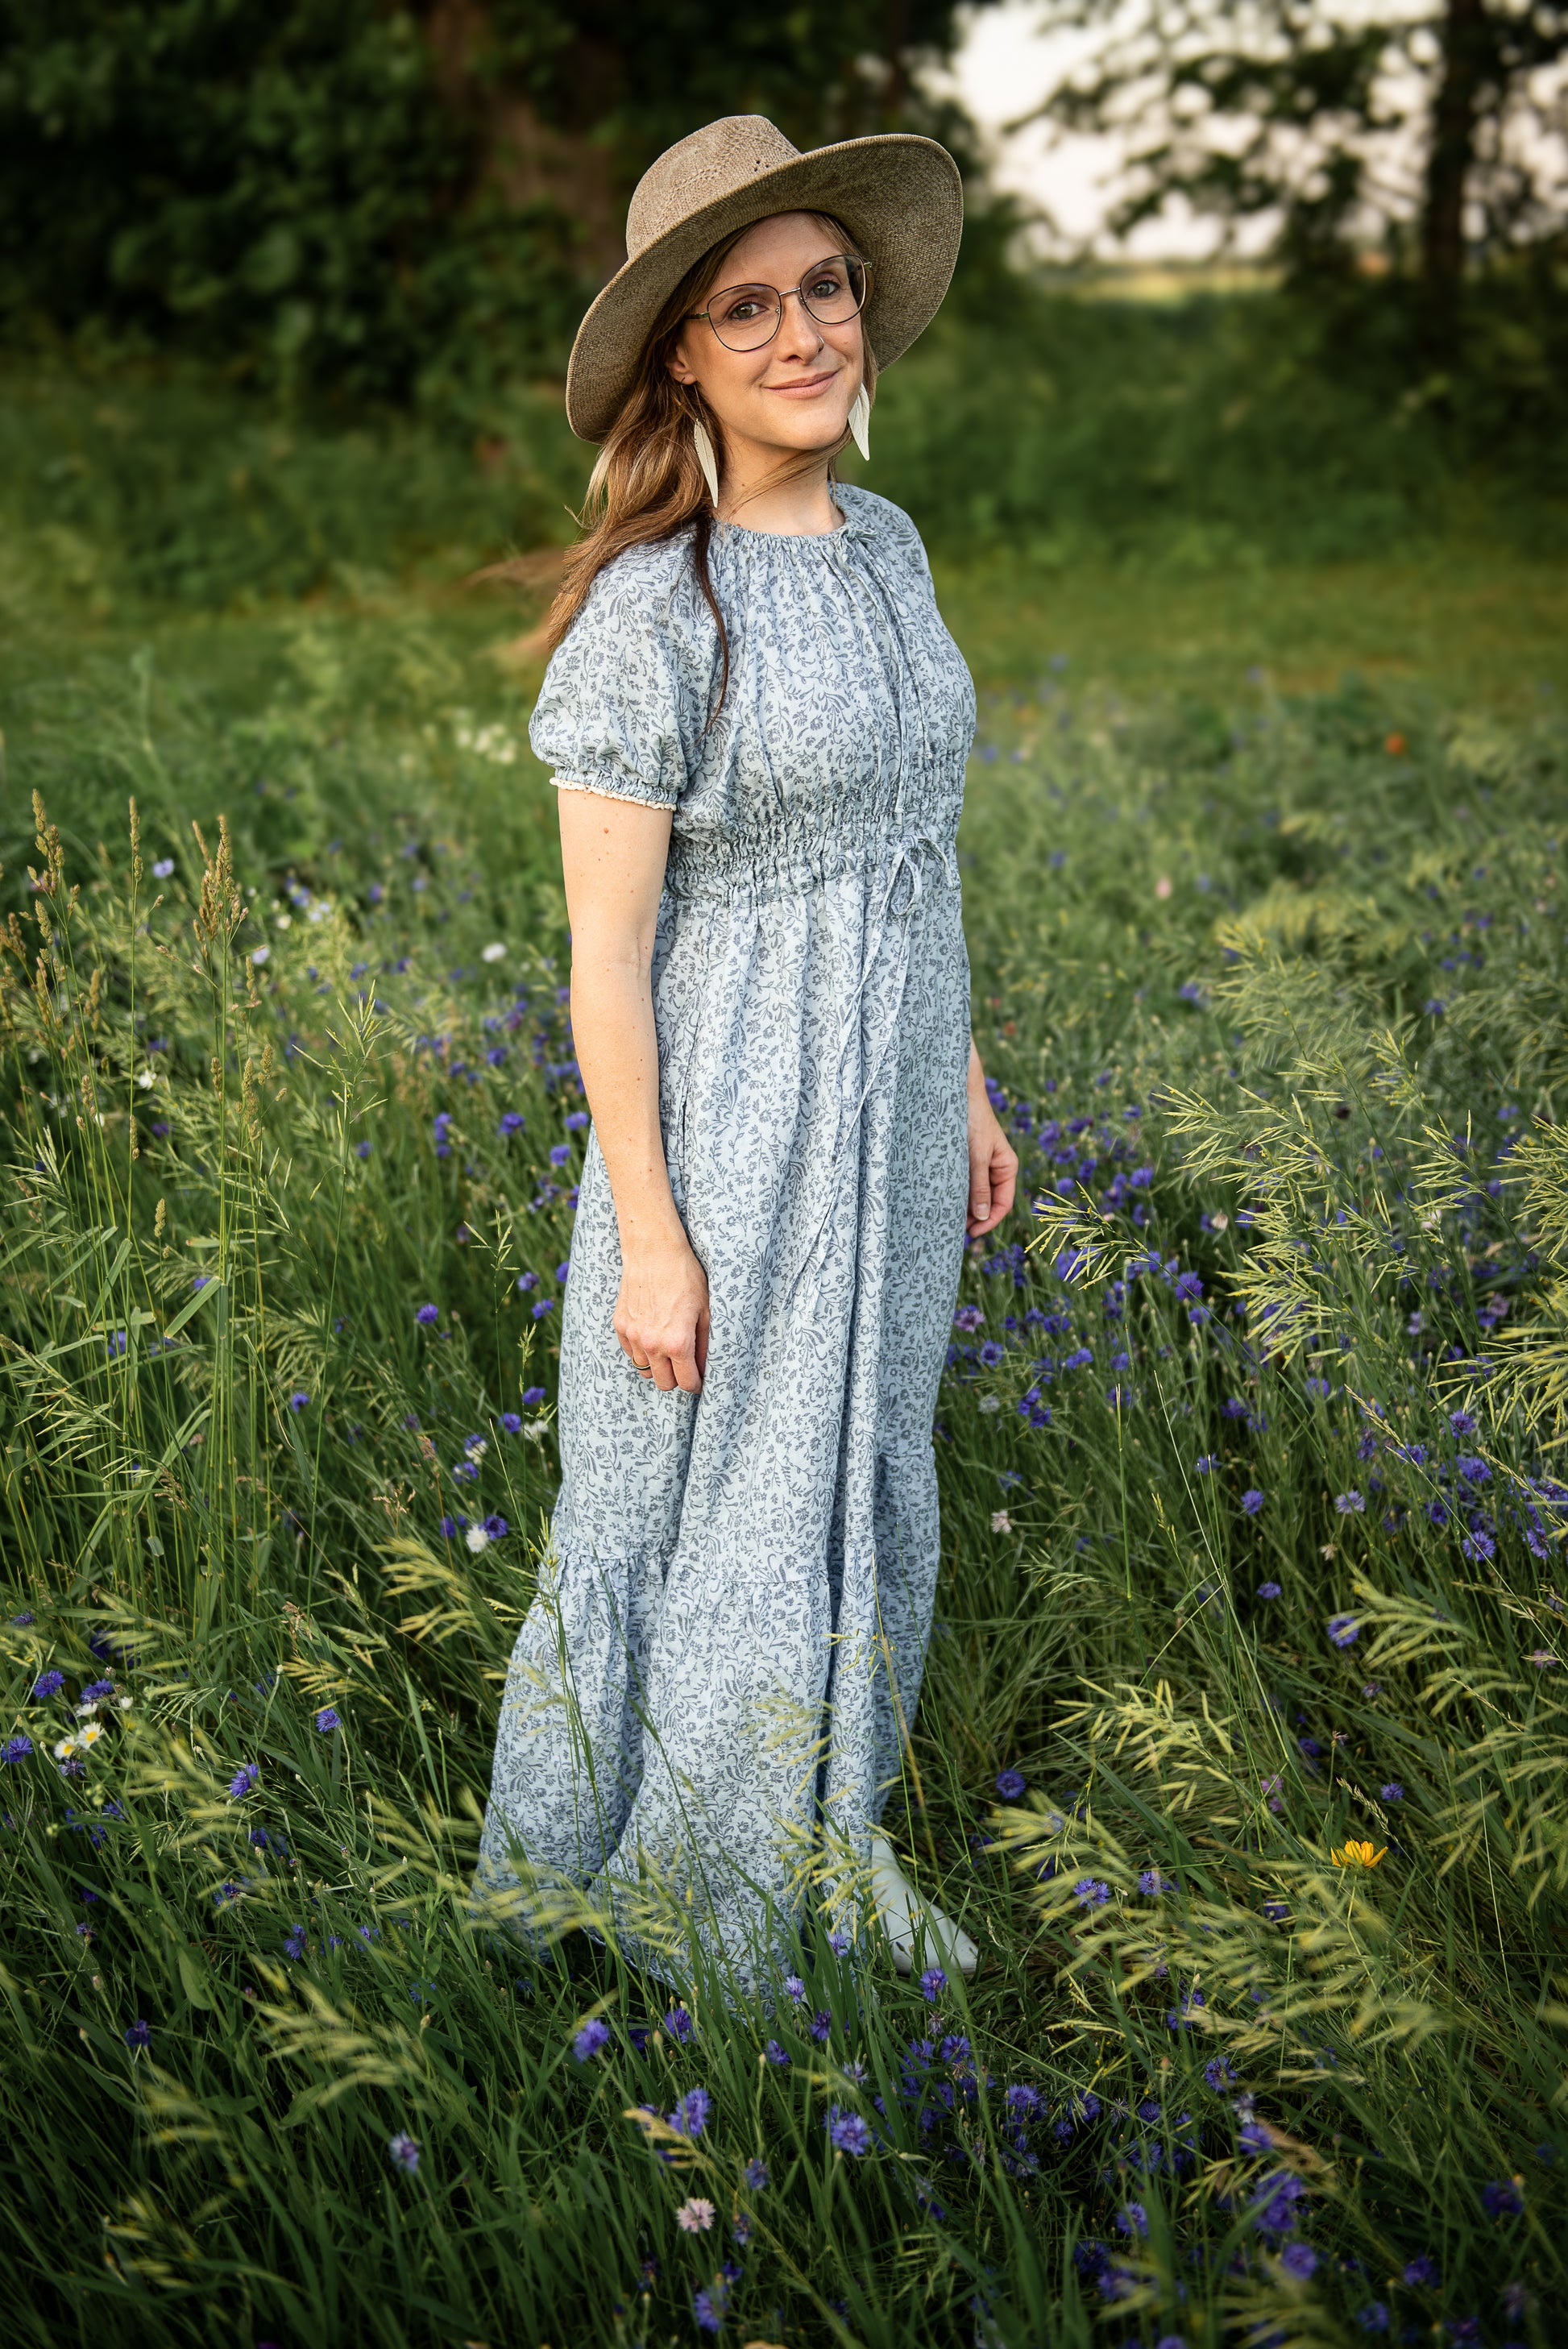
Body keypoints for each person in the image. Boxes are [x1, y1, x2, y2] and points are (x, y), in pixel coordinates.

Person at [477, 114, 1017, 1998]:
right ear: (681, 355)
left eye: (827, 288)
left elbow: (912, 842)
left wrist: (957, 1083)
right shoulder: (655, 615)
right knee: (706, 1497)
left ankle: (813, 1821)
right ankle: (686, 1905)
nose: (806, 334)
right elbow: (604, 966)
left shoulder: (890, 549)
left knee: (857, 1462)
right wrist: (649, 1233)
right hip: (731, 1121)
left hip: (884, 1112)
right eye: (746, 306)